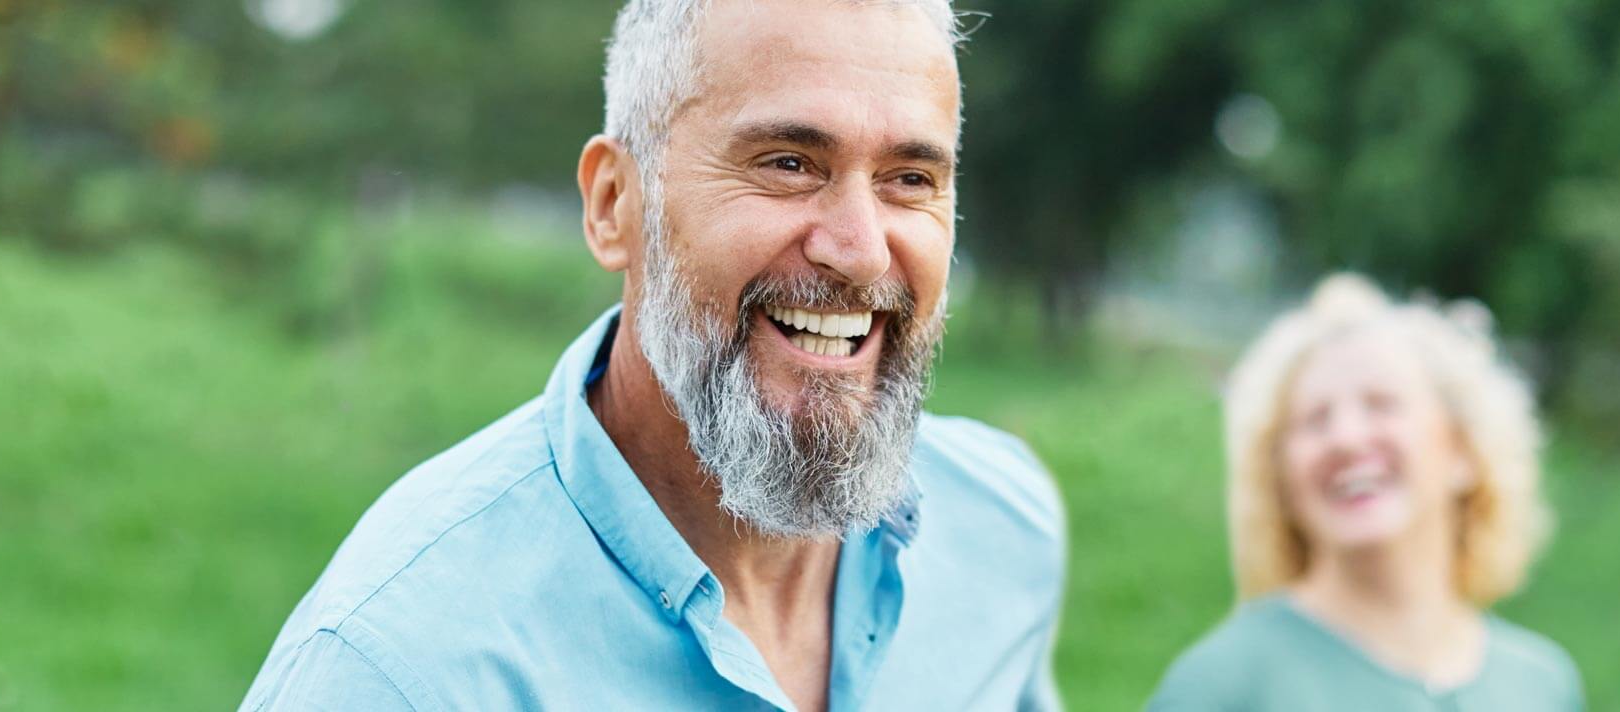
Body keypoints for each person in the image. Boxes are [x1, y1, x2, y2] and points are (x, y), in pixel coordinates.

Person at [239, 1, 1066, 709]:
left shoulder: (1005, 531)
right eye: (787, 164)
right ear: (614, 204)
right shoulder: (397, 666)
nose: (860, 251)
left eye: (910, 179)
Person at [1148, 275, 1581, 711]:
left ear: (1462, 450)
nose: (1347, 438)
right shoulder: (1222, 684)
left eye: (1381, 404)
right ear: (1280, 480)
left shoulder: (1541, 684)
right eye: (1315, 419)